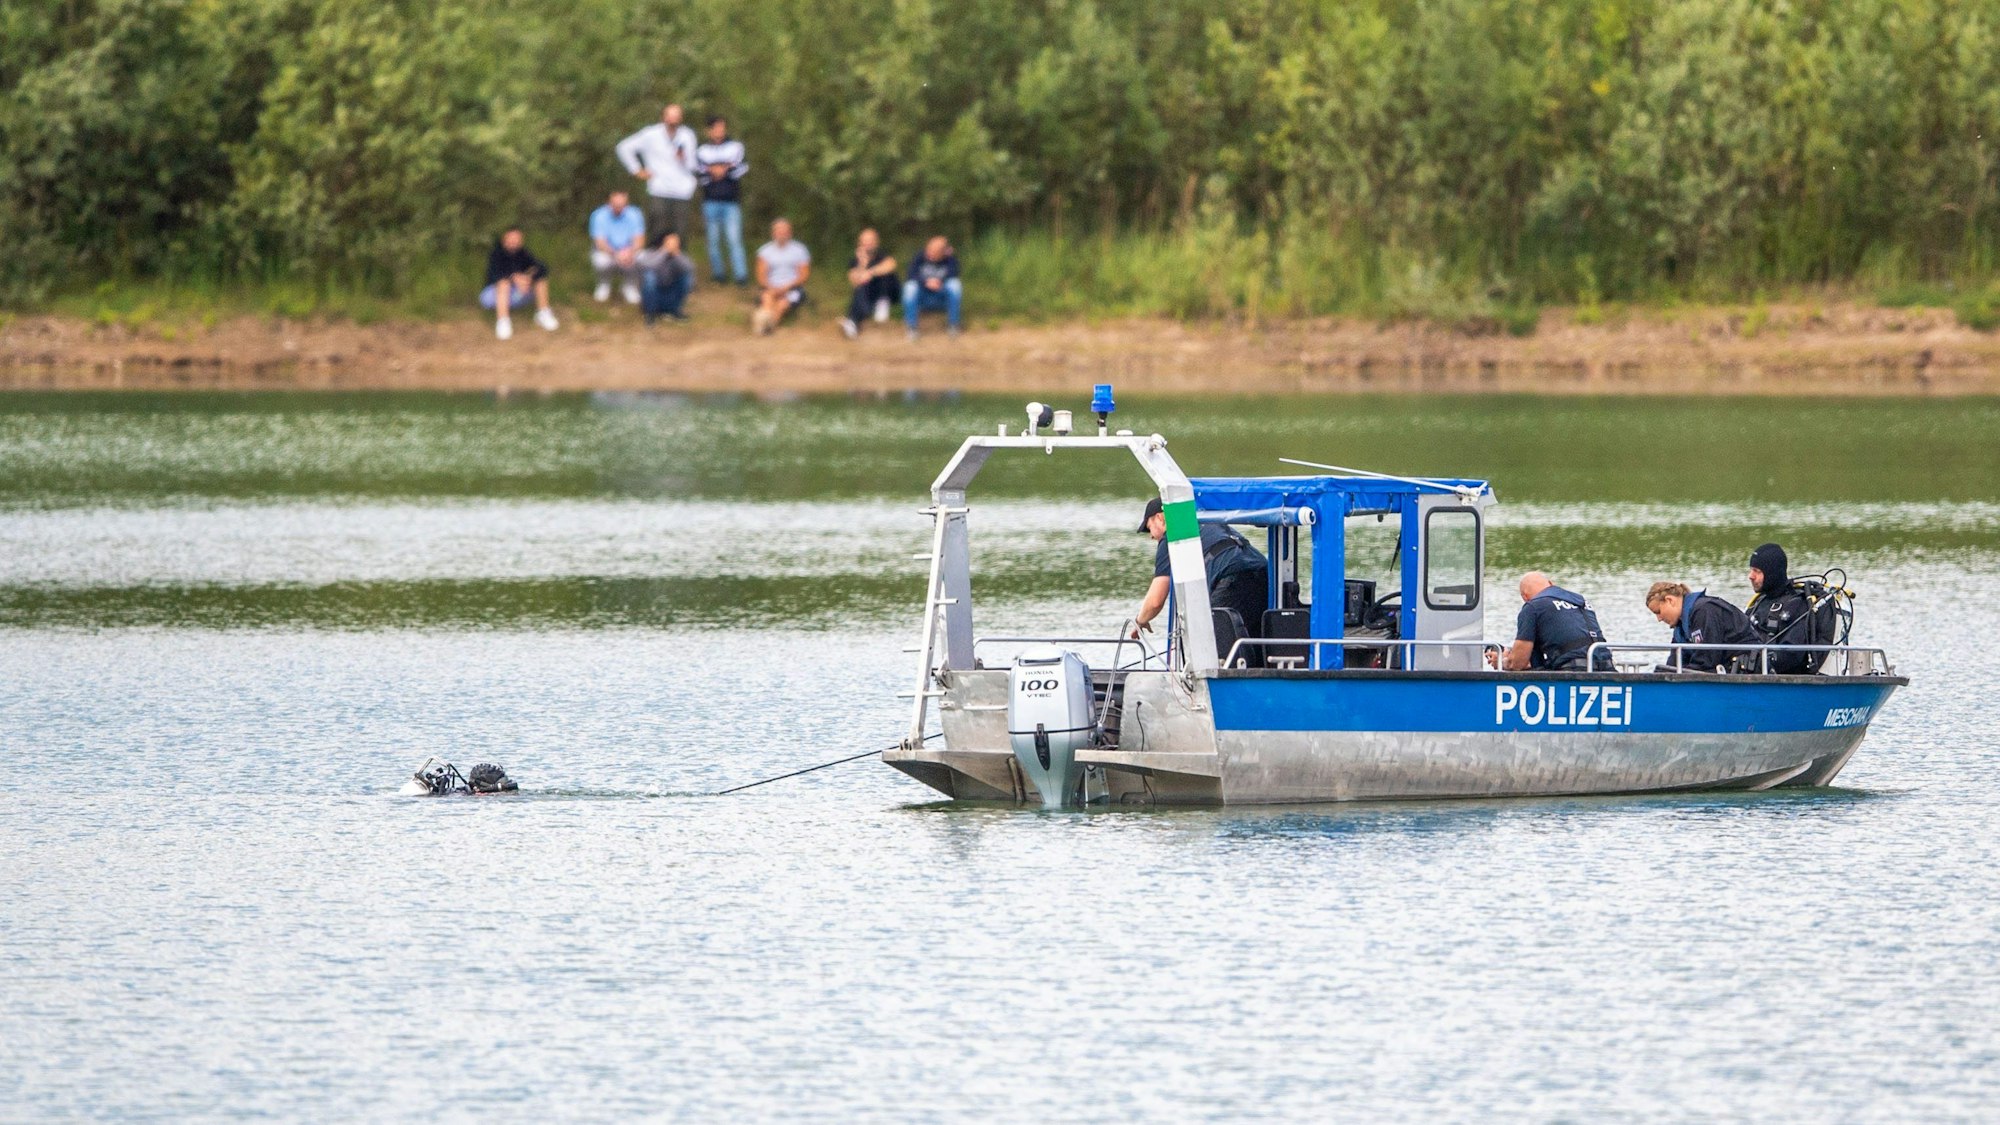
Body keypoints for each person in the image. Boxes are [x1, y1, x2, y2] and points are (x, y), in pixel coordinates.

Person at [1131, 497, 1267, 643]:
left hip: (1232, 576)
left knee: (1209, 641)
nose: (1151, 536)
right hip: (1263, 572)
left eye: (1149, 527)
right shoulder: (1208, 522)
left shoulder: (1173, 533)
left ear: (1160, 518)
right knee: (1255, 639)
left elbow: (1156, 601)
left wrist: (1140, 621)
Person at [1745, 542, 1840, 673]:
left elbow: (1791, 655)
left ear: (1772, 573)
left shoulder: (1798, 606)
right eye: (1751, 570)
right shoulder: (1759, 603)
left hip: (1783, 679)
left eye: (1757, 571)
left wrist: (1756, 664)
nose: (1750, 576)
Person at [616, 103, 700, 240]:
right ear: (663, 117)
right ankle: (654, 254)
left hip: (682, 191)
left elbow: (693, 166)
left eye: (676, 116)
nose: (673, 119)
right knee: (657, 229)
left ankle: (678, 254)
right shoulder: (651, 134)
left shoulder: (687, 135)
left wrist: (684, 158)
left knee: (680, 232)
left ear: (681, 118)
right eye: (670, 116)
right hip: (659, 189)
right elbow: (624, 147)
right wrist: (636, 170)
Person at [1500, 572, 1611, 671]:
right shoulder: (1580, 601)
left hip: (1574, 670)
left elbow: (1518, 663)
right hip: (1607, 667)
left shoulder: (1533, 606)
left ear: (1525, 597)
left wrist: (1503, 661)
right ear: (1551, 583)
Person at [1645, 581, 1764, 673]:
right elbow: (1673, 664)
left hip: (1746, 670)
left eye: (1658, 611)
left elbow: (1706, 661)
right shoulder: (1681, 628)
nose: (1659, 619)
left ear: (1669, 600)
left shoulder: (1704, 611)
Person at [694, 116, 749, 285]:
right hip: (710, 200)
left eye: (722, 127)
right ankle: (719, 274)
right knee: (713, 240)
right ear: (708, 131)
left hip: (731, 200)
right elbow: (698, 171)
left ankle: (741, 276)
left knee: (734, 239)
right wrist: (712, 172)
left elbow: (743, 167)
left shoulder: (736, 147)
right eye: (715, 128)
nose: (719, 131)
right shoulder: (701, 150)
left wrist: (724, 170)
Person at [480, 227, 558, 341]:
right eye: (511, 238)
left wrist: (528, 278)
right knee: (504, 283)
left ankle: (543, 313)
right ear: (504, 239)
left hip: (517, 295)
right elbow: (495, 275)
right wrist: (514, 278)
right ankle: (503, 321)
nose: (514, 241)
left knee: (540, 280)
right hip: (493, 297)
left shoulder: (523, 253)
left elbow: (542, 267)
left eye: (517, 238)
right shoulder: (496, 254)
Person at [752, 218, 810, 335]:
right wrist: (772, 288)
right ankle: (766, 326)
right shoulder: (764, 251)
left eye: (784, 232)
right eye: (779, 232)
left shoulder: (800, 250)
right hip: (770, 286)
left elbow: (804, 275)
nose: (782, 234)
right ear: (773, 233)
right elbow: (761, 276)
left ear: (790, 233)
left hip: (793, 287)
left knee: (782, 304)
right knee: (767, 299)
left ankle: (766, 326)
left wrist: (786, 287)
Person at [588, 190, 647, 304]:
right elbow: (600, 242)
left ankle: (630, 285)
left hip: (629, 250)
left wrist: (630, 252)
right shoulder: (599, 215)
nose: (619, 208)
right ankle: (604, 284)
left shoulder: (635, 214)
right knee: (601, 261)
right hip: (608, 251)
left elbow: (640, 240)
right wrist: (616, 254)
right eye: (616, 205)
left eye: (622, 205)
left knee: (642, 257)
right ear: (609, 203)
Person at [837, 229, 899, 338]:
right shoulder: (855, 260)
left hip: (889, 292)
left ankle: (881, 304)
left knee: (885, 274)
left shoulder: (882, 254)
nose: (868, 244)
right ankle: (852, 322)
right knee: (859, 288)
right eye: (865, 241)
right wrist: (862, 264)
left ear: (876, 242)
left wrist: (870, 272)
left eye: (870, 240)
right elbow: (854, 282)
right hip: (869, 294)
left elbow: (891, 265)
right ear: (859, 243)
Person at [902, 235, 962, 340]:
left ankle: (953, 324)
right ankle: (912, 327)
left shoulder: (949, 259)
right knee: (910, 287)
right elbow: (911, 274)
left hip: (941, 292)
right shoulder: (920, 257)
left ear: (944, 252)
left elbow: (954, 272)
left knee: (955, 284)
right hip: (923, 293)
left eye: (935, 252)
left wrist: (939, 281)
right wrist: (926, 282)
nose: (930, 253)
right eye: (929, 249)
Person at [638, 231, 694, 324]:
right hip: (654, 295)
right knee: (649, 276)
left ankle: (674, 310)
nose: (673, 245)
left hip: (670, 294)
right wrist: (664, 252)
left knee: (686, 277)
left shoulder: (678, 255)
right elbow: (648, 266)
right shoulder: (649, 253)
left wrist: (677, 255)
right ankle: (650, 314)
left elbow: (690, 268)